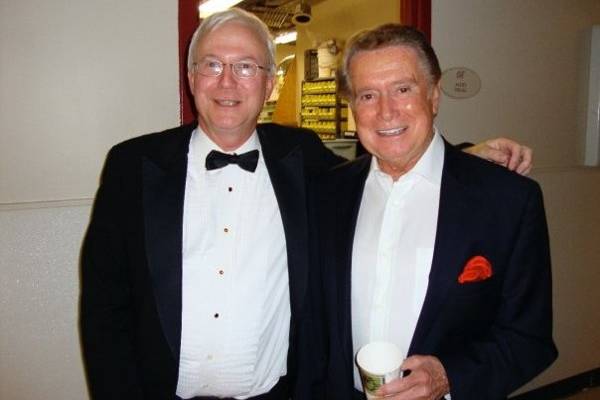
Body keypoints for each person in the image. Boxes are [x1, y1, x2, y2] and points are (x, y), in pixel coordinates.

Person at [80, 8, 535, 400]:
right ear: (191, 75)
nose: (227, 81)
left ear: (271, 83)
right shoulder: (131, 166)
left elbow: (400, 155)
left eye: (246, 67)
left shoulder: (302, 160)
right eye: (212, 64)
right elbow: (104, 312)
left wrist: (465, 158)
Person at [309, 24, 557, 400]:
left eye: (403, 89)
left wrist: (449, 376)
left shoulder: (507, 200)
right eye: (368, 95)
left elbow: (529, 339)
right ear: (352, 106)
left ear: (435, 95)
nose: (385, 112)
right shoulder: (328, 193)